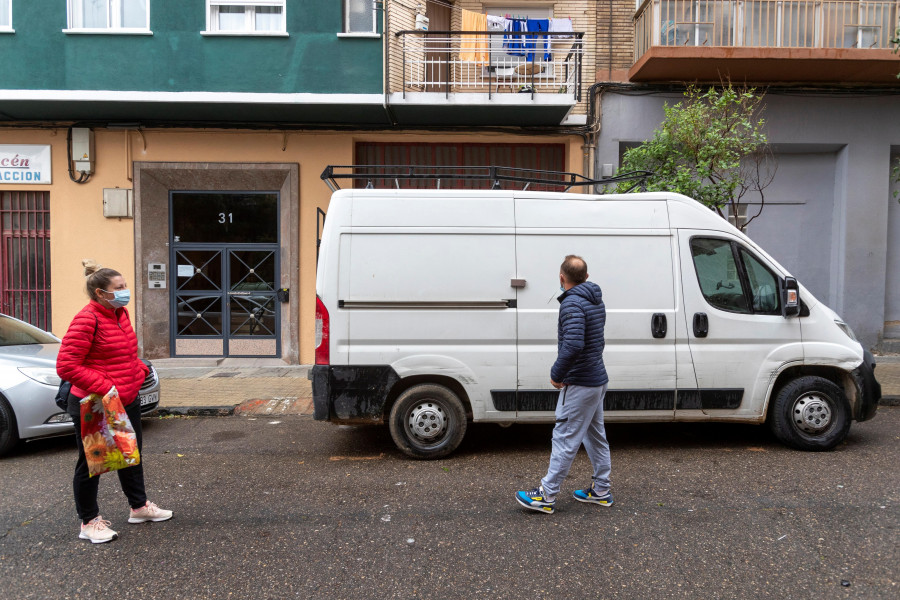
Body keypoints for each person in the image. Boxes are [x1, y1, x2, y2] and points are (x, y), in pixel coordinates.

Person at [57, 260, 173, 543]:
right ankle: (89, 522)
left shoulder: (119, 314)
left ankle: (139, 507)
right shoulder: (87, 319)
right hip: (95, 403)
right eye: (119, 288)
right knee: (92, 463)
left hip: (124, 398)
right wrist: (107, 387)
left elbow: (124, 354)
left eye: (125, 286)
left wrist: (137, 371)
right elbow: (67, 365)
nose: (125, 292)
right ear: (100, 293)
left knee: (130, 455)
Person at [516, 255, 612, 514]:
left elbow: (573, 345)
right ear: (587, 277)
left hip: (581, 381)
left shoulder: (571, 304)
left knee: (565, 437)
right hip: (597, 379)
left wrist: (557, 373)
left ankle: (546, 495)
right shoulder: (595, 300)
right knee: (595, 436)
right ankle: (601, 490)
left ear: (561, 278)